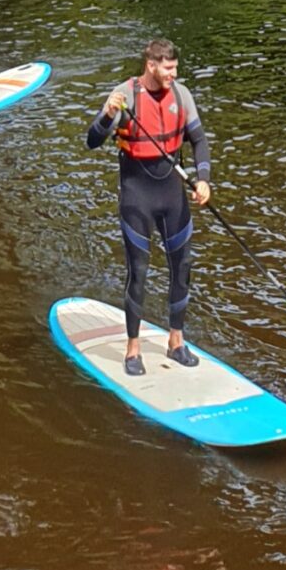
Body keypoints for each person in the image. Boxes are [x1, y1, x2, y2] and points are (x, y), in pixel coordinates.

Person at [86, 39, 212, 377]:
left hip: (172, 196)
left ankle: (176, 342)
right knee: (139, 271)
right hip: (136, 196)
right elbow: (92, 140)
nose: (174, 74)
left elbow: (199, 140)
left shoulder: (182, 95)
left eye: (175, 68)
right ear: (151, 65)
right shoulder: (124, 96)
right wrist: (108, 115)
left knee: (182, 266)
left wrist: (203, 180)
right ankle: (133, 348)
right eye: (168, 68)